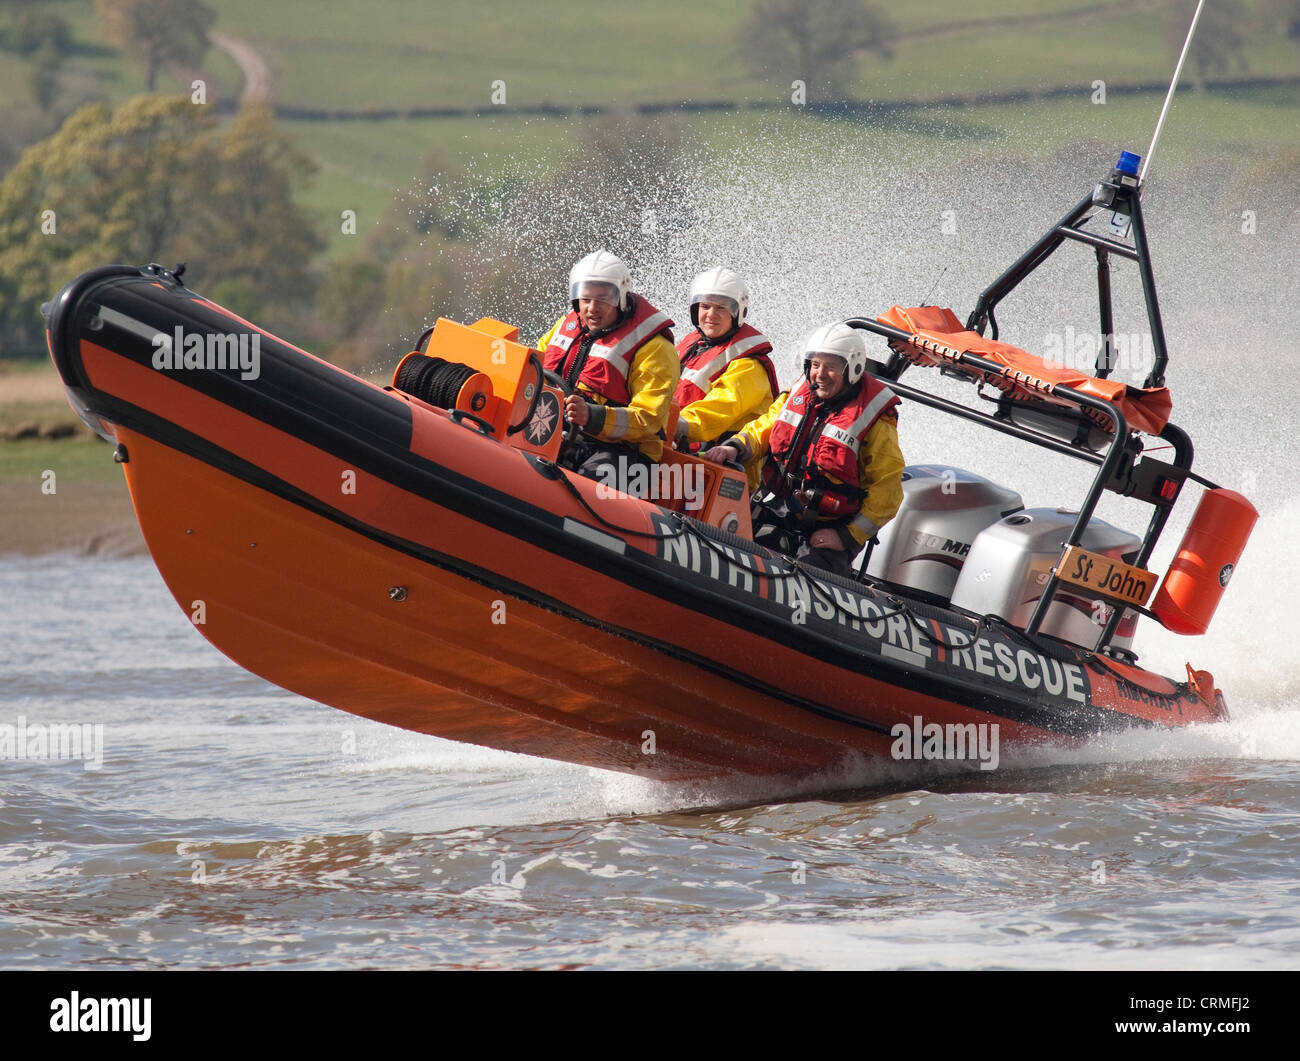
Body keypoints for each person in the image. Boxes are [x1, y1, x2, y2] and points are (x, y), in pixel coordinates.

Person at [704, 322, 904, 578]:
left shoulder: (876, 422)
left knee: (808, 577)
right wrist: (735, 447)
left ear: (852, 369)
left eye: (830, 366)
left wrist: (846, 537)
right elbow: (765, 427)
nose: (820, 374)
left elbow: (887, 492)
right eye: (815, 365)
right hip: (777, 508)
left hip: (828, 531)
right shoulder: (798, 396)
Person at [538, 250, 679, 489]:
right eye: (586, 298)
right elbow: (534, 367)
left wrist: (592, 416)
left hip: (624, 452)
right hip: (560, 429)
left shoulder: (655, 348)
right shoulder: (566, 325)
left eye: (603, 298)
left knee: (589, 486)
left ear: (621, 298)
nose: (593, 308)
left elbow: (648, 419)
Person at [672, 267, 779, 488]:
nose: (711, 314)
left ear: (737, 313)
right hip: (679, 454)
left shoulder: (749, 366)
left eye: (721, 307)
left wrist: (668, 424)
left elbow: (716, 411)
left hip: (722, 475)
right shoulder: (694, 344)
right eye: (705, 306)